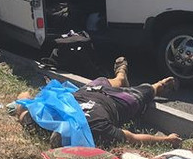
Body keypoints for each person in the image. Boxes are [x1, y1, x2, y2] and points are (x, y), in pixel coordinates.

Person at [14, 57, 181, 148]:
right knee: (143, 93)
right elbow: (132, 138)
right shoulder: (98, 129)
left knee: (106, 81)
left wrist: (25, 99)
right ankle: (158, 86)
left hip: (90, 91)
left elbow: (22, 107)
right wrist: (164, 140)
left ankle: (121, 77)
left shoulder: (47, 120)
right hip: (116, 103)